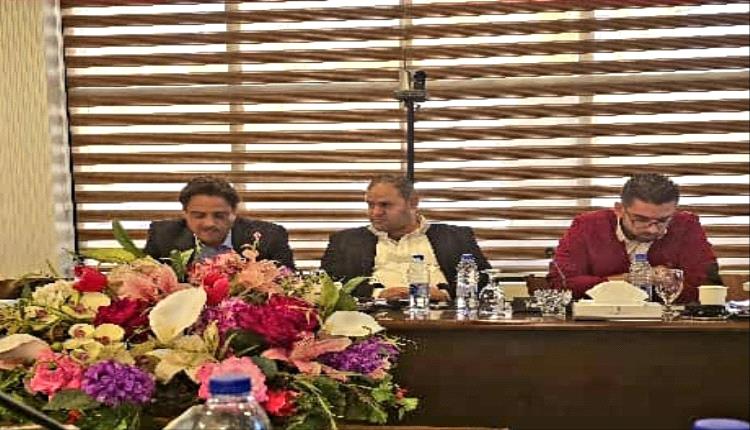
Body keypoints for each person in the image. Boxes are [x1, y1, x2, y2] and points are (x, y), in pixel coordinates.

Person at [548, 173, 719, 303]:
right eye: (641, 219)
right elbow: (561, 284)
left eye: (662, 221)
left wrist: (671, 281)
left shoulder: (686, 225)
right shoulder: (587, 225)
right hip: (598, 325)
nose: (652, 229)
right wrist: (629, 279)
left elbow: (709, 287)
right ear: (619, 209)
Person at [321, 174, 490, 299]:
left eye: (385, 205)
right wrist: (378, 293)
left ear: (413, 203)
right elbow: (329, 287)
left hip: (442, 320)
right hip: (371, 322)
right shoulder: (345, 241)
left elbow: (483, 279)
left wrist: (444, 293)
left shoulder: (456, 237)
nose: (375, 212)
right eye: (371, 205)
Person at [144, 176, 295, 269]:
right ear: (185, 213)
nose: (209, 223)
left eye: (219, 215)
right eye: (199, 216)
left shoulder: (269, 237)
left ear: (234, 212)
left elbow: (288, 286)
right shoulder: (163, 236)